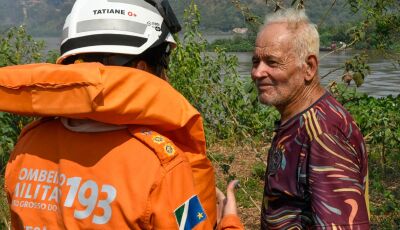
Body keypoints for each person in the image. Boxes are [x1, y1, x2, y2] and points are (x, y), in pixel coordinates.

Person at [0, 0, 241, 228]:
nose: (166, 78)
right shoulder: (162, 164)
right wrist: (229, 221)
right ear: (142, 69)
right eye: (163, 66)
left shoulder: (28, 144)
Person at [251, 8, 370, 229]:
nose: (258, 72)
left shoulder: (323, 133)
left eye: (272, 62)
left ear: (309, 67)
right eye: (256, 61)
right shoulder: (298, 121)